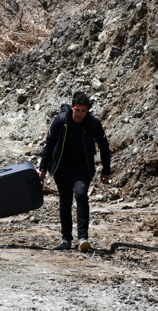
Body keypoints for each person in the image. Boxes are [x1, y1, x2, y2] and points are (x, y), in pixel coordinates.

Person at [38, 91, 112, 252]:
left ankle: (83, 237)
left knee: (80, 195)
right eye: (77, 110)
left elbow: (104, 146)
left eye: (83, 111)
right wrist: (42, 168)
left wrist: (106, 170)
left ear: (88, 110)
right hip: (61, 168)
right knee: (65, 201)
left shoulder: (92, 123)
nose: (80, 114)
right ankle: (66, 239)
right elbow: (49, 143)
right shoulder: (60, 120)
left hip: (82, 168)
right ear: (72, 107)